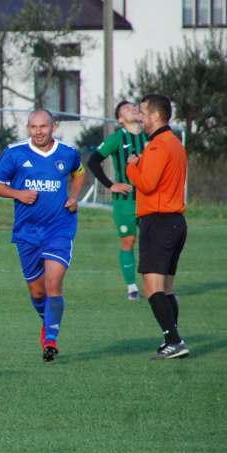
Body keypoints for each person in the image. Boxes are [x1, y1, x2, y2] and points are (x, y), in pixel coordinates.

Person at [0, 109, 86, 362]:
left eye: (43, 127)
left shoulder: (68, 153)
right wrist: (18, 194)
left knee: (53, 283)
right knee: (38, 292)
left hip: (59, 229)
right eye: (33, 127)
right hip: (27, 232)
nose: (38, 132)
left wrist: (74, 197)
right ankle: (47, 320)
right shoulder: (15, 153)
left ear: (53, 127)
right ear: (28, 128)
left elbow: (79, 172)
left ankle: (51, 340)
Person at [125, 94, 188, 360]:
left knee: (153, 288)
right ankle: (172, 339)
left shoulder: (156, 146)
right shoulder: (175, 143)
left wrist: (131, 167)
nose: (139, 116)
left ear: (156, 116)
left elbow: (147, 184)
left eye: (142, 112)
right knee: (168, 289)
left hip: (159, 222)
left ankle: (174, 340)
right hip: (176, 222)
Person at [86, 100, 147, 300]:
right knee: (128, 241)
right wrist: (111, 184)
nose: (134, 109)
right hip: (125, 201)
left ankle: (155, 287)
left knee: (152, 242)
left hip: (150, 199)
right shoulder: (117, 138)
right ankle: (132, 288)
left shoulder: (151, 135)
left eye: (134, 106)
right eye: (128, 109)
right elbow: (93, 161)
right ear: (121, 119)